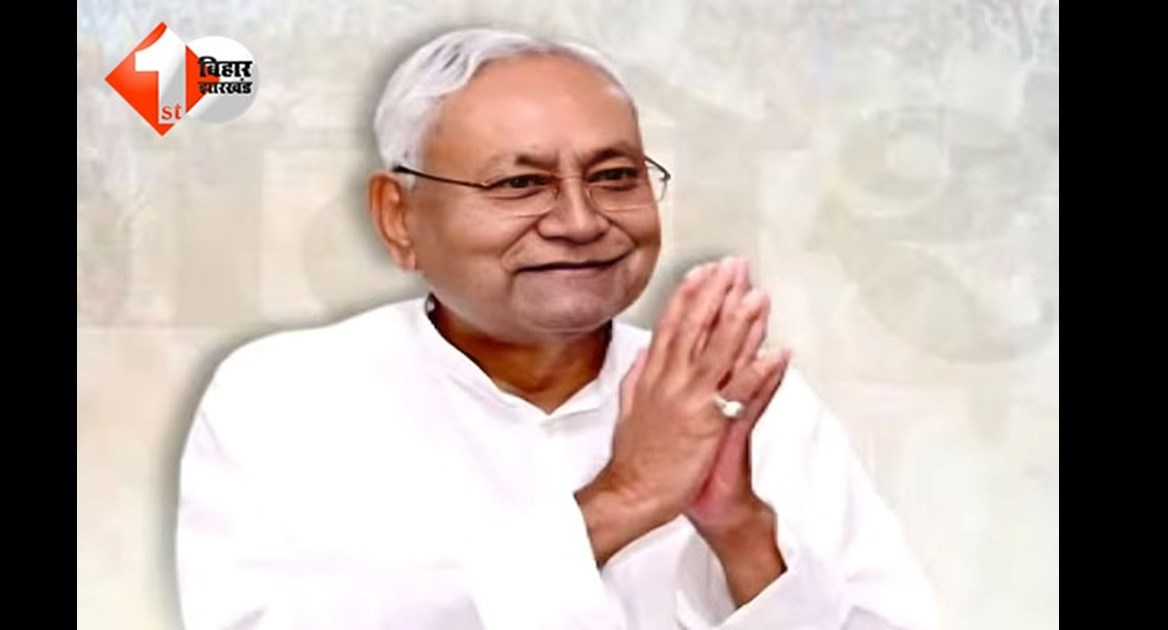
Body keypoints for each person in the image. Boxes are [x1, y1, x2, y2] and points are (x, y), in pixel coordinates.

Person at [175, 27, 938, 630]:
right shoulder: (284, 394)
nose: (579, 221)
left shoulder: (739, 402)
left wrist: (739, 529)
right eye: (520, 183)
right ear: (398, 217)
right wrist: (623, 498)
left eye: (615, 177)